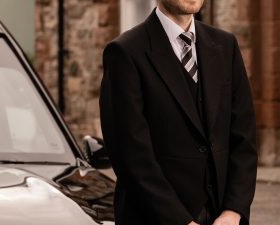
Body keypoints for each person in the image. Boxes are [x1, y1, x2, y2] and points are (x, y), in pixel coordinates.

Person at [99, 0, 257, 225]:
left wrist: (233, 210)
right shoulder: (125, 52)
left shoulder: (226, 45)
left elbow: (244, 138)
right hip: (155, 218)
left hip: (222, 218)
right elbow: (131, 156)